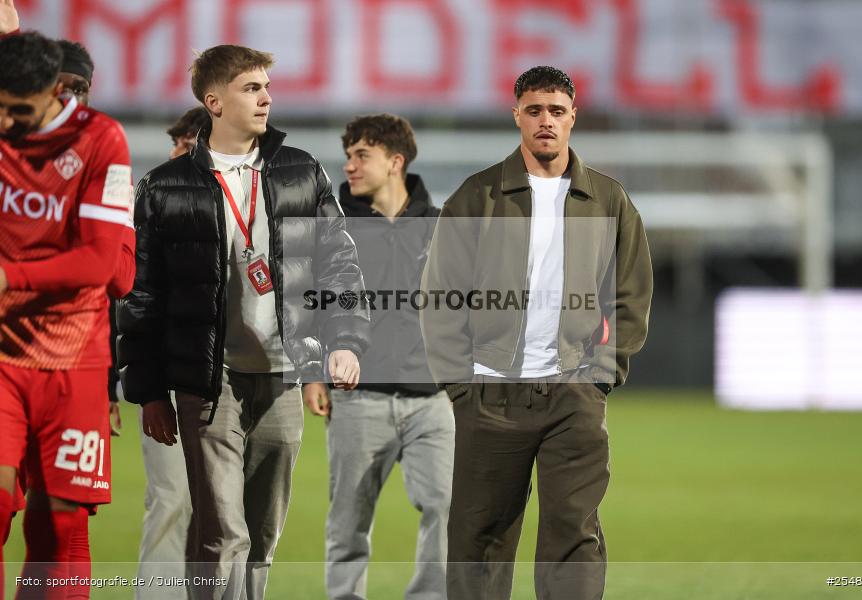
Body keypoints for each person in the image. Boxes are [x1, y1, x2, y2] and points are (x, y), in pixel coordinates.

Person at [117, 45, 370, 600]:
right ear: (214, 101)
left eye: (266, 87)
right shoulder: (163, 186)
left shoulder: (301, 170)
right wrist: (149, 390)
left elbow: (341, 262)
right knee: (221, 533)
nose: (266, 98)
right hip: (209, 381)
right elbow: (144, 295)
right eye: (251, 88)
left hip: (283, 374)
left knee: (261, 533)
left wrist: (345, 338)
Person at [421, 66, 653, 600]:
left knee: (573, 536)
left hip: (573, 393)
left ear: (573, 116)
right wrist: (461, 383)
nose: (545, 121)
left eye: (555, 110)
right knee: (480, 540)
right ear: (516, 115)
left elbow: (632, 294)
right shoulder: (477, 195)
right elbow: (440, 296)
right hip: (490, 393)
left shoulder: (609, 201)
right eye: (534, 109)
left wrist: (601, 374)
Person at [0, 31, 134, 600]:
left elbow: (108, 263)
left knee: (61, 526)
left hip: (74, 356)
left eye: (19, 111)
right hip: (3, 354)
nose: (7, 122)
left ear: (55, 93)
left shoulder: (102, 140)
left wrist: (12, 277)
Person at [305, 114, 453, 599]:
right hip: (357, 398)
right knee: (348, 523)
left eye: (361, 155)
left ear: (395, 162)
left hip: (432, 402)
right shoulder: (332, 227)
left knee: (447, 508)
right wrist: (312, 372)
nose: (349, 165)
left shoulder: (442, 226)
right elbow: (306, 304)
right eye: (348, 155)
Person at [134, 105, 209, 600]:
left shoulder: (250, 203)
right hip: (173, 377)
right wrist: (147, 388)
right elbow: (136, 300)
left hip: (235, 382)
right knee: (171, 498)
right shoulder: (155, 198)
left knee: (228, 514)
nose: (173, 152)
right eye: (175, 142)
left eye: (184, 143)